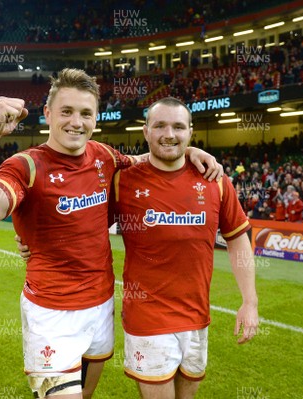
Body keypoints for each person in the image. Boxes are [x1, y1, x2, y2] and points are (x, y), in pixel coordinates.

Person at [0, 69, 222, 399]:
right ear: (48, 113)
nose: (75, 122)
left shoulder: (104, 156)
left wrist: (189, 153)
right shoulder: (27, 167)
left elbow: (149, 160)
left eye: (85, 113)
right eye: (66, 112)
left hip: (100, 306)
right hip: (51, 314)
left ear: (96, 118)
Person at [113, 97, 258, 398]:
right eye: (160, 126)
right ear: (145, 131)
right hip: (146, 315)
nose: (170, 134)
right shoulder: (123, 181)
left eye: (179, 127)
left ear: (190, 132)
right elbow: (82, 222)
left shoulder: (214, 180)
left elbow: (237, 239)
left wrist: (250, 302)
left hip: (195, 315)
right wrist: (31, 240)